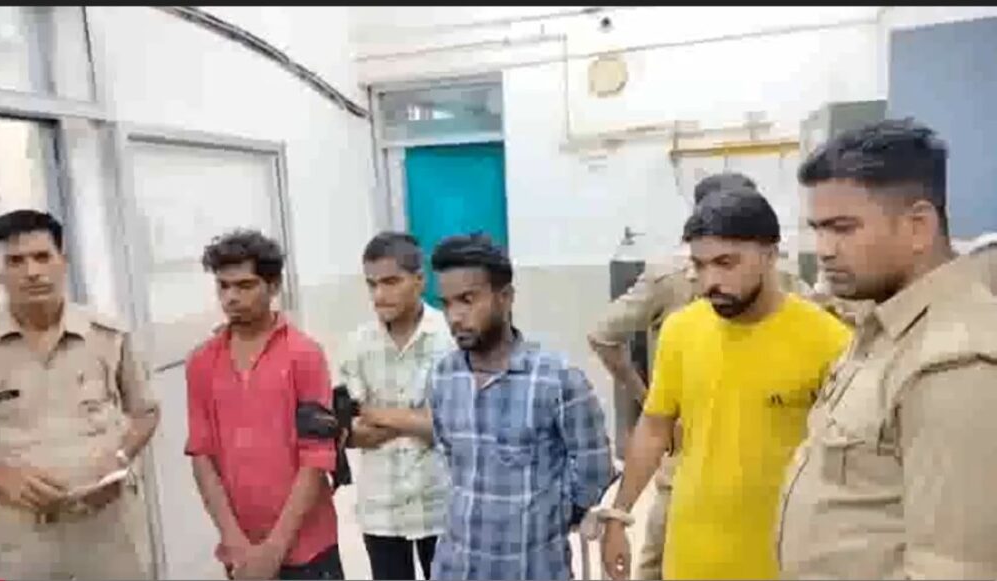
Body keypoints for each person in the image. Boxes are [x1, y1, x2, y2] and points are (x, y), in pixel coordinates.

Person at [777, 119, 997, 579]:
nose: (824, 250)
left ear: (918, 226)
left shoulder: (953, 362)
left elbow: (951, 569)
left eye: (842, 228)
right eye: (817, 229)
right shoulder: (884, 325)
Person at [600, 188, 852, 580]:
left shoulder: (829, 341)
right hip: (692, 556)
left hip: (786, 561)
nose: (709, 282)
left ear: (770, 255)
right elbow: (654, 427)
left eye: (725, 263)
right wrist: (620, 513)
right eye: (699, 266)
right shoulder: (681, 330)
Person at [0, 209, 160, 579]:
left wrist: (120, 455)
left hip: (109, 530)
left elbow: (146, 412)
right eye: (15, 261)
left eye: (43, 256)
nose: (32, 271)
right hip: (22, 538)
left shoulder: (108, 337)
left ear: (63, 261)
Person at [427, 234, 615, 580]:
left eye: (467, 300)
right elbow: (451, 460)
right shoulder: (443, 376)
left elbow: (595, 472)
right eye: (447, 303)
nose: (455, 316)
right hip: (456, 567)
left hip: (533, 569)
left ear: (505, 297)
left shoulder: (557, 379)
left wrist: (546, 517)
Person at [185, 229, 343, 580]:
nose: (231, 297)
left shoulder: (304, 355)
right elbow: (202, 455)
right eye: (223, 286)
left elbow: (316, 458)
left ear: (273, 286)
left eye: (245, 285)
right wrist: (234, 541)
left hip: (308, 547)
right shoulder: (201, 362)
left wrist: (274, 549)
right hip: (240, 550)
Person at [338, 232, 453, 580]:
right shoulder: (358, 344)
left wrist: (373, 413)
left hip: (444, 504)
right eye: (371, 284)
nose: (379, 295)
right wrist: (419, 420)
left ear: (419, 280)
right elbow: (349, 434)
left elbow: (455, 428)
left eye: (390, 282)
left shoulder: (450, 337)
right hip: (381, 509)